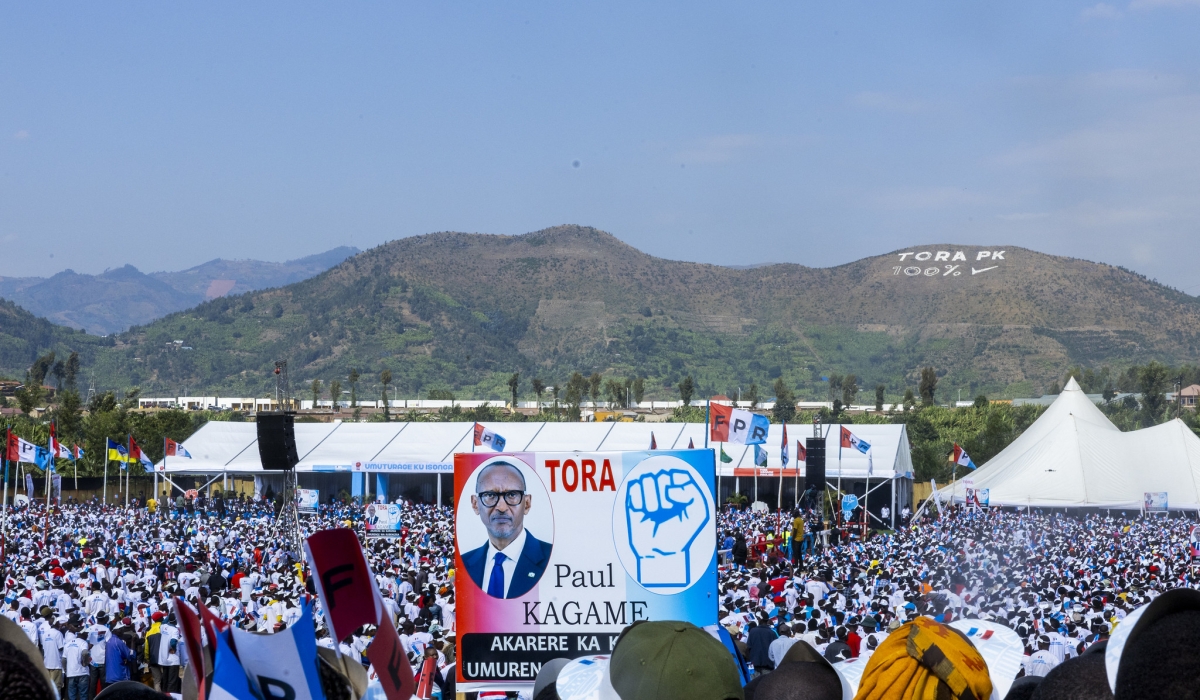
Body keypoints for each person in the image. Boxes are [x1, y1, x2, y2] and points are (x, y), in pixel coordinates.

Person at [460, 461, 552, 599]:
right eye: (490, 495)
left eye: (512, 495)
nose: (501, 507)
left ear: (527, 504)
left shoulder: (552, 558)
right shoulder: (464, 565)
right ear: (475, 504)